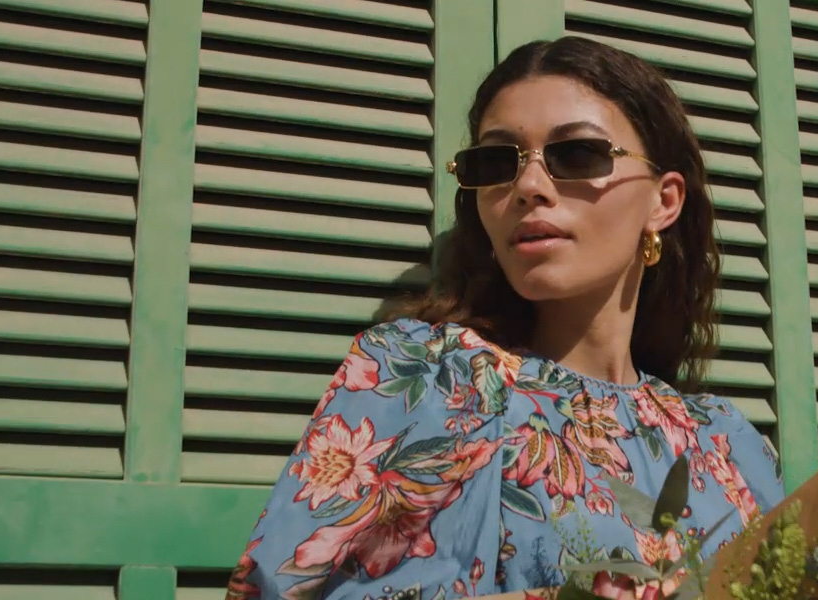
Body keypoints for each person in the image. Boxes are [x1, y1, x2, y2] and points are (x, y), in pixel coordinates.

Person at [227, 36, 785, 599]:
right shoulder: (430, 379)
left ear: (663, 202)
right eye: (496, 163)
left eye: (577, 154)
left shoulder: (726, 443)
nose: (529, 187)